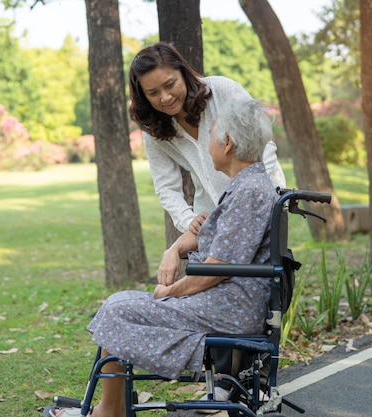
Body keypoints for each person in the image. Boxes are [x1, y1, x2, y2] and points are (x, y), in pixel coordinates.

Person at [47, 98, 279, 417]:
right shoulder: (246, 186)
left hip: (231, 308)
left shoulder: (249, 191)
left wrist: (171, 291)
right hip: (229, 303)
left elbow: (217, 270)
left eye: (211, 136)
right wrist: (178, 248)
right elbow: (217, 244)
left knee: (119, 312)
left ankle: (108, 412)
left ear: (227, 143)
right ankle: (110, 407)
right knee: (118, 305)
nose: (206, 144)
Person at [128, 41, 285, 235]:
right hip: (210, 220)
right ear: (143, 96)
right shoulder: (153, 129)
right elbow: (166, 186)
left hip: (260, 204)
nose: (165, 97)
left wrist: (262, 198)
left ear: (183, 74)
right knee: (206, 264)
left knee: (258, 265)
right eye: (153, 93)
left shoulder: (223, 90)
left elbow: (264, 146)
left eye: (170, 84)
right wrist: (188, 220)